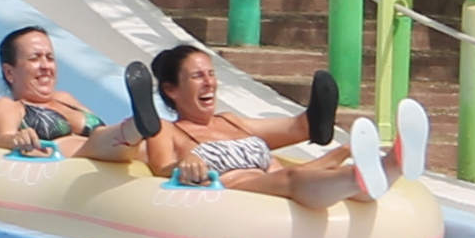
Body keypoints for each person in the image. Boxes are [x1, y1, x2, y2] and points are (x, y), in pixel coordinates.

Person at [130, 45, 395, 204]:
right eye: (198, 76)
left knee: (304, 174)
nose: (210, 82)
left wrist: (344, 151)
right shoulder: (167, 129)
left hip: (275, 182)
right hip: (238, 192)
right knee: (293, 178)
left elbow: (288, 162)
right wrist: (184, 164)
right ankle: (359, 176)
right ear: (171, 90)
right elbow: (162, 168)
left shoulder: (230, 121)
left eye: (211, 74)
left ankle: (395, 162)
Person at [0, 23, 144, 161]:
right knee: (77, 143)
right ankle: (134, 127)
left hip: (110, 151)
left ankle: (140, 132)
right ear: (9, 72)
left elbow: (103, 132)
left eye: (49, 58)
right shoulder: (9, 106)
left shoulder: (65, 99)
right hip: (68, 156)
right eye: (34, 58)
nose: (46, 66)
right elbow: (0, 137)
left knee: (145, 147)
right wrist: (17, 139)